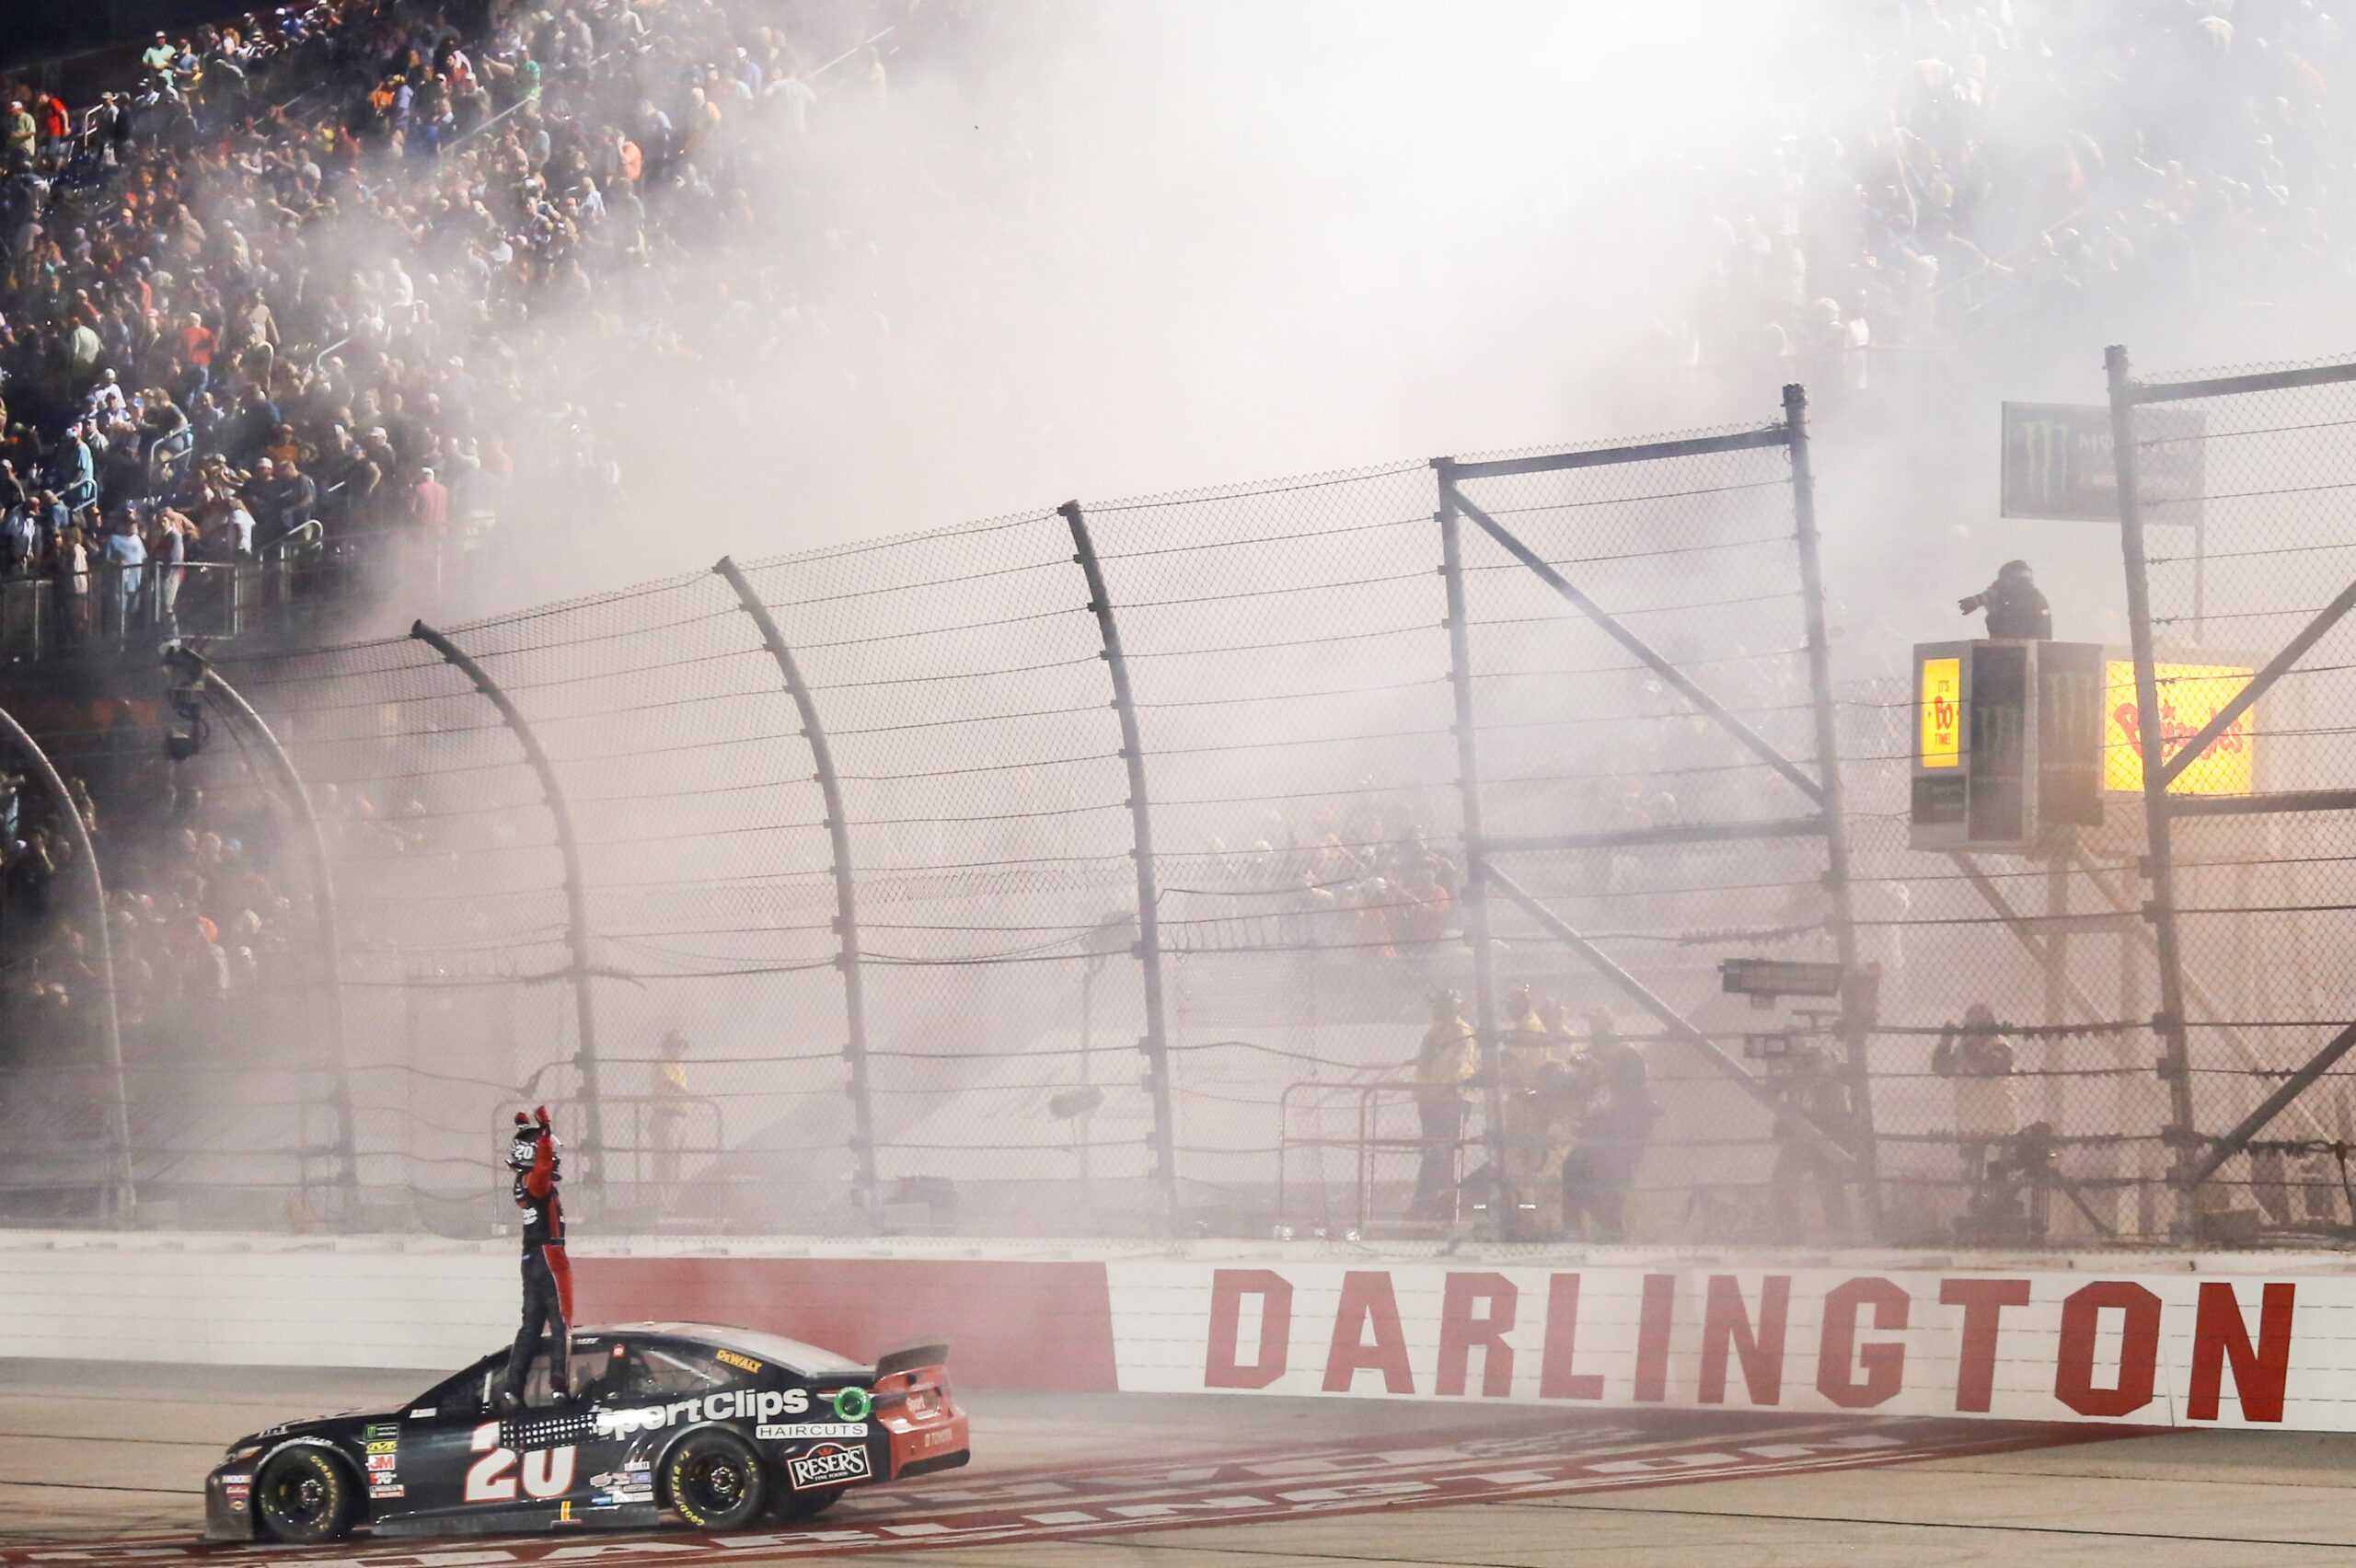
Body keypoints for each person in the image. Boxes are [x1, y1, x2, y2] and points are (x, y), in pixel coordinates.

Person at [1559, 1014, 1657, 1240]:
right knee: (1573, 1167)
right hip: (1595, 1141)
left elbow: (1632, 1099)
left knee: (1607, 1185)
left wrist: (1603, 1071)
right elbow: (1582, 1100)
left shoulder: (1628, 1063)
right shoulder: (1597, 1074)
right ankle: (1574, 1229)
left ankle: (1609, 1232)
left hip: (1618, 1142)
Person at [502, 1105, 572, 1408]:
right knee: (561, 1325)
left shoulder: (521, 1183)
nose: (554, 1156)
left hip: (529, 1258)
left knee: (530, 1326)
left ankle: (512, 1389)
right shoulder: (536, 1181)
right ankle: (559, 1389)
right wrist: (544, 1131)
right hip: (550, 1257)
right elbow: (543, 1168)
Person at [1933, 1003, 2020, 1189]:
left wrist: (1968, 1043)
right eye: (1971, 1023)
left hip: (1998, 1124)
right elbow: (1942, 1068)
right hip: (1971, 1122)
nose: (1973, 1028)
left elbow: (1985, 1067)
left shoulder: (2001, 1046)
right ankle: (1979, 1198)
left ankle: (1998, 1199)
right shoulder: (1963, 1049)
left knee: (1996, 1176)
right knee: (1974, 1180)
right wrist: (1945, 1043)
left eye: (1979, 1023)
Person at [1409, 990, 1475, 1221]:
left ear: (1453, 1007)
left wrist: (1437, 1092)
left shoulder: (1462, 1032)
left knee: (1440, 1152)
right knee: (1433, 1152)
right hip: (1431, 1100)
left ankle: (1432, 1205)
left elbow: (1456, 1069)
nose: (1436, 1009)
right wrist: (1422, 1094)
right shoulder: (1434, 1033)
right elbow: (1424, 1067)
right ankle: (1432, 1204)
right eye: (1436, 1005)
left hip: (1452, 1100)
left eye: (1442, 1005)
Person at [649, 1029, 692, 1206]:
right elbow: (669, 1083)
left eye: (682, 1045)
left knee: (676, 1161)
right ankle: (661, 1201)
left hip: (680, 1117)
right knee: (665, 1160)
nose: (680, 1049)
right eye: (677, 1044)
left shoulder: (679, 1066)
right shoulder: (662, 1062)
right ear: (668, 1045)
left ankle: (672, 1201)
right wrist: (689, 1095)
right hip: (665, 1116)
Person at [1959, 559, 2052, 639]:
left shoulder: (2028, 603)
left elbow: (2003, 637)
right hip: (2032, 652)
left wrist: (1994, 611)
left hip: (2019, 653)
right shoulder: (2035, 599)